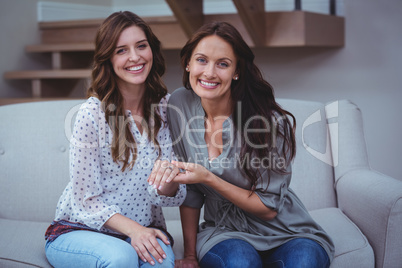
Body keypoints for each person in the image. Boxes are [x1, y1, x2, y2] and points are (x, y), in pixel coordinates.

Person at [167, 21, 335, 268]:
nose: (210, 72)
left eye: (222, 64)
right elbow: (191, 192)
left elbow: (268, 208)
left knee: (304, 262)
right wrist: (190, 255)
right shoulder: (179, 104)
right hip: (224, 232)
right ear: (188, 63)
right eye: (202, 60)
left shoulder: (267, 122)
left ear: (236, 71)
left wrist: (209, 178)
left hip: (287, 231)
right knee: (240, 263)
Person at [44, 11, 186, 268]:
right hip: (81, 230)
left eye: (141, 46)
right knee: (121, 257)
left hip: (145, 228)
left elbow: (167, 196)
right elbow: (85, 200)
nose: (135, 57)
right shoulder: (92, 114)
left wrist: (168, 180)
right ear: (108, 59)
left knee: (163, 264)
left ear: (151, 50)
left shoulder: (165, 109)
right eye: (121, 50)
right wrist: (134, 231)